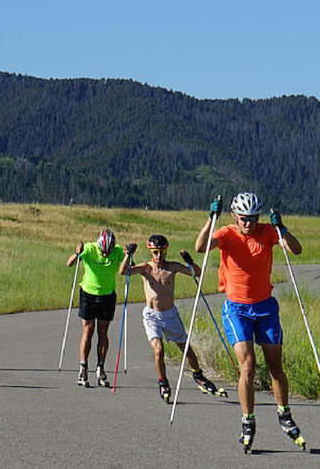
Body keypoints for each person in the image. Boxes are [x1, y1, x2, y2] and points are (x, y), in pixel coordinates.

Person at [194, 192, 304, 451]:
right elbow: (201, 247)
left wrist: (282, 228)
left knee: (275, 366)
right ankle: (248, 421)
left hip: (265, 308)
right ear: (235, 216)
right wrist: (211, 218)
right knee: (248, 366)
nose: (248, 223)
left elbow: (296, 250)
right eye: (244, 218)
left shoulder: (267, 232)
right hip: (237, 310)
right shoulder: (226, 233)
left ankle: (284, 415)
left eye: (253, 218)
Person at [120, 234, 225, 402]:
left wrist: (190, 261)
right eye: (155, 252)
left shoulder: (172, 267)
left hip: (170, 315)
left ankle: (199, 376)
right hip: (151, 315)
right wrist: (128, 255)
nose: (159, 256)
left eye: (162, 252)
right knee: (159, 350)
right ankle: (163, 382)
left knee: (187, 350)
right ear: (150, 252)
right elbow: (124, 272)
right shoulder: (146, 268)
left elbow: (197, 274)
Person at [66, 228, 124, 388]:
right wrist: (77, 253)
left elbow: (127, 268)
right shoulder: (90, 249)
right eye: (103, 251)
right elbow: (70, 263)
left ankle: (101, 367)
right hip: (88, 294)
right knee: (88, 330)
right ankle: (83, 368)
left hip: (107, 295)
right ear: (99, 245)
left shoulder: (117, 251)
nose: (105, 255)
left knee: (103, 332)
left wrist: (128, 255)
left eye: (108, 252)